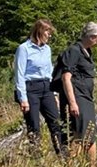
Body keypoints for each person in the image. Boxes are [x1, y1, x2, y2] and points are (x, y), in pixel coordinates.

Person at [55, 22, 97, 167]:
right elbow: (66, 77)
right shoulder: (74, 51)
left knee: (83, 133)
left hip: (85, 98)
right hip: (77, 98)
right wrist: (73, 103)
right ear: (90, 36)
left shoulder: (87, 51)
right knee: (84, 135)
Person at [15, 19, 67, 155]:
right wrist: (23, 98)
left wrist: (54, 94)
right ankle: (36, 158)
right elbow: (19, 74)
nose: (49, 36)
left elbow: (49, 71)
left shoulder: (47, 49)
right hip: (31, 88)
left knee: (55, 123)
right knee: (34, 125)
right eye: (48, 32)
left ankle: (62, 155)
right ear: (40, 32)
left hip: (46, 87)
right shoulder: (24, 49)